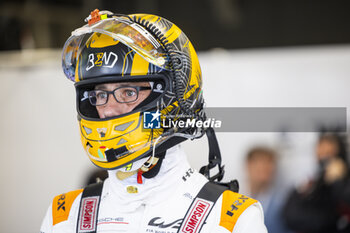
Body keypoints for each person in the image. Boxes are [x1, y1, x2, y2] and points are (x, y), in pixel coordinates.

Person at [40, 9, 267, 233]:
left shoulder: (233, 220)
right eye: (100, 95)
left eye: (128, 93)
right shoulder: (65, 216)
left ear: (174, 98)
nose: (108, 110)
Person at [283, 132, 350, 233]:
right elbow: (290, 215)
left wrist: (337, 180)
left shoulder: (343, 182)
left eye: (328, 153)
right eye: (320, 153)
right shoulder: (312, 182)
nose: (324, 158)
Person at [244, 146, 292, 233]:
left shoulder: (283, 203)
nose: (265, 167)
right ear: (248, 165)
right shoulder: (234, 200)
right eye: (260, 162)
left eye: (269, 163)